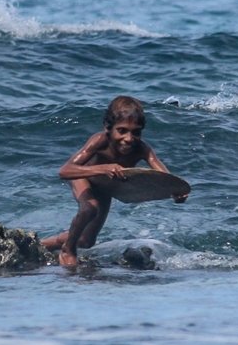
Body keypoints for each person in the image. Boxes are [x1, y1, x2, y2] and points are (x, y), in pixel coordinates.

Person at [41, 96, 187, 267]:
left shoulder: (142, 149)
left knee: (86, 241)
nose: (129, 138)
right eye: (122, 130)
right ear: (108, 127)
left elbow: (164, 176)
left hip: (105, 186)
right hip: (83, 176)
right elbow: (65, 171)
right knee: (90, 207)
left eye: (136, 132)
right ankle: (68, 250)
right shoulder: (100, 141)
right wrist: (102, 169)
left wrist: (175, 191)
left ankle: (42, 245)